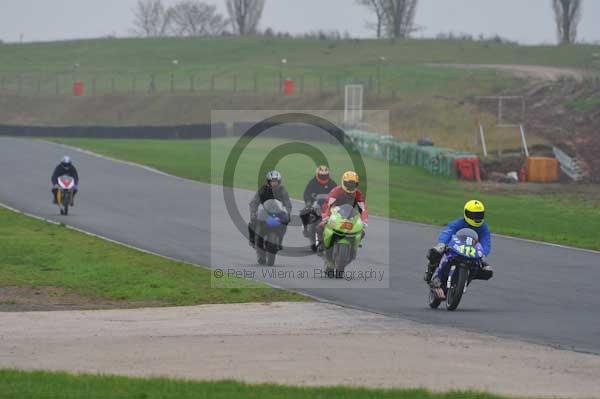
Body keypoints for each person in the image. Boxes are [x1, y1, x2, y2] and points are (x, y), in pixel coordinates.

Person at [425, 200, 493, 287]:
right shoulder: (459, 222)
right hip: (455, 248)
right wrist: (442, 243)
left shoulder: (483, 227)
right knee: (434, 253)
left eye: (479, 215)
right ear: (466, 214)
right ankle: (431, 272)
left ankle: (466, 279)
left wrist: (483, 253)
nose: (476, 218)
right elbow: (448, 231)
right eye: (474, 215)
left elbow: (486, 241)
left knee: (488, 272)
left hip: (472, 252)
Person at [317, 171, 368, 251]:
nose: (351, 186)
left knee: (362, 232)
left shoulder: (358, 194)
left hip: (351, 214)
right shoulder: (336, 190)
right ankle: (320, 242)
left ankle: (354, 245)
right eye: (348, 184)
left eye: (353, 184)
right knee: (320, 226)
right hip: (335, 212)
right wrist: (326, 215)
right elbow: (328, 204)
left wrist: (364, 220)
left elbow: (363, 208)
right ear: (343, 182)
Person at [248, 170, 292, 248]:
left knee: (285, 221)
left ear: (279, 181)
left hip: (279, 211)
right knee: (253, 222)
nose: (274, 183)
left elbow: (287, 203)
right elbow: (254, 202)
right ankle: (252, 240)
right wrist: (253, 213)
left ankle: (280, 239)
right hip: (265, 211)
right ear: (268, 182)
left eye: (276, 181)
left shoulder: (282, 190)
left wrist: (288, 213)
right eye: (272, 181)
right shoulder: (263, 189)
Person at [300, 165, 337, 235]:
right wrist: (308, 201)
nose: (324, 177)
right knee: (304, 211)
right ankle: (305, 228)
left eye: (325, 176)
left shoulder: (332, 183)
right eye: (322, 176)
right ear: (317, 175)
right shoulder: (312, 182)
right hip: (314, 203)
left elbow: (337, 193)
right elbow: (306, 193)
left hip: (328, 204)